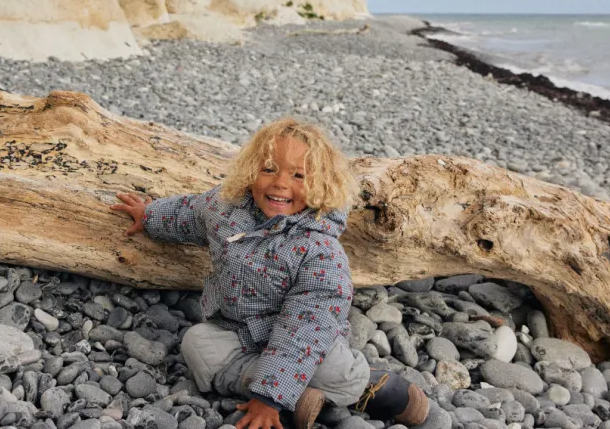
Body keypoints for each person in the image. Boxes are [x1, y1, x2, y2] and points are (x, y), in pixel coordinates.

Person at [111, 118, 429, 429]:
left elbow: (306, 326)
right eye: (268, 169)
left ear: (321, 185)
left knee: (335, 373)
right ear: (251, 172)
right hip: (239, 329)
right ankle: (296, 393)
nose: (280, 183)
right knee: (196, 345)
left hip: (305, 339)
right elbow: (187, 214)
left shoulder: (320, 251)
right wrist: (149, 215)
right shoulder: (225, 208)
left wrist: (268, 398)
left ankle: (373, 388)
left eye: (298, 175)